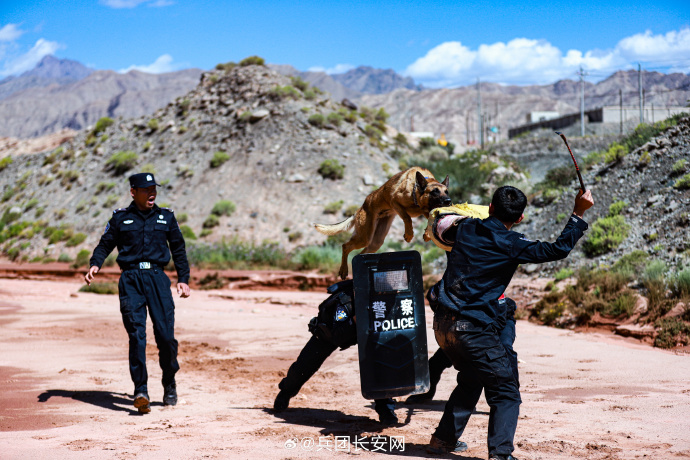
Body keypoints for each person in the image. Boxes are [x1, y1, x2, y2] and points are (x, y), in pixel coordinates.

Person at [426, 185, 593, 460]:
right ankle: (501, 455)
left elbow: (441, 226)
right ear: (520, 218)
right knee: (506, 392)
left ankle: (443, 440)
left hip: (443, 326)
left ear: (490, 207)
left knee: (472, 379)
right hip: (473, 330)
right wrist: (578, 212)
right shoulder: (512, 243)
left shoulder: (465, 228)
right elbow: (558, 249)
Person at [84, 173, 191, 414]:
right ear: (133, 192)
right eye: (146, 190)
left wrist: (183, 279)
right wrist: (95, 263)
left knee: (165, 337)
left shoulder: (167, 217)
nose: (151, 193)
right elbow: (105, 244)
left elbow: (179, 250)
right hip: (130, 280)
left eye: (154, 189)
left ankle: (169, 381)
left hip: (157, 280)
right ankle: (141, 390)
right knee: (137, 336)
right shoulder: (121, 218)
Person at [273, 279, 399, 426]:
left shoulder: (389, 299)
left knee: (379, 364)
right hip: (330, 333)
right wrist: (357, 319)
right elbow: (339, 335)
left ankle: (386, 409)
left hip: (368, 333)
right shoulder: (346, 300)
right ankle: (286, 391)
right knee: (304, 366)